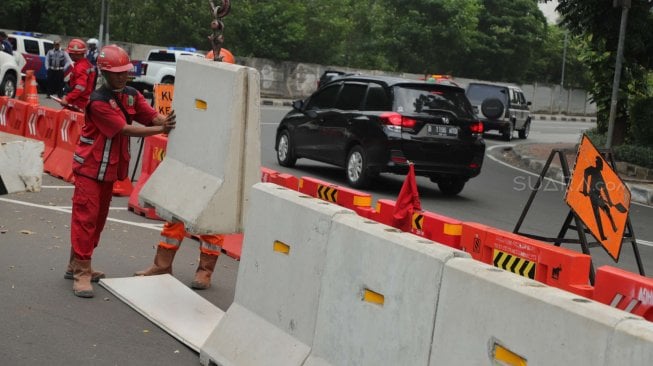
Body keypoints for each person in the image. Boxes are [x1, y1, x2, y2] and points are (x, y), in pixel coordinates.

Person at [68, 45, 176, 298]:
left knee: (97, 221)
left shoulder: (130, 95)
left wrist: (167, 121)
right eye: (115, 73)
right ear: (104, 73)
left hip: (109, 171)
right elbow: (124, 129)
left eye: (124, 72)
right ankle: (81, 272)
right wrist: (160, 130)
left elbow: (150, 117)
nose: (121, 76)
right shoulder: (98, 102)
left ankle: (76, 263)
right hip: (89, 168)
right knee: (85, 219)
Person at [134, 49, 236, 290]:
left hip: (217, 166)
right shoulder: (193, 92)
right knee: (175, 215)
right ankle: (162, 265)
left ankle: (205, 272)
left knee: (213, 222)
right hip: (191, 162)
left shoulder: (233, 99)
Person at [582, 156, 617, 241]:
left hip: (598, 195)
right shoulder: (592, 170)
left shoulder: (600, 176)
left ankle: (613, 226)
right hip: (593, 196)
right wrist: (585, 190)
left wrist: (610, 201)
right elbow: (585, 172)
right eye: (600, 164)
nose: (601, 167)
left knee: (607, 209)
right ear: (597, 164)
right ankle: (602, 236)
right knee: (597, 216)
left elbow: (605, 190)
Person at [58, 39, 96, 111]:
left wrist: (68, 98)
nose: (69, 55)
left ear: (74, 54)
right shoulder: (87, 64)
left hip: (77, 103)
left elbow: (80, 87)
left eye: (70, 53)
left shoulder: (80, 67)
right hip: (83, 101)